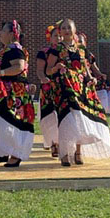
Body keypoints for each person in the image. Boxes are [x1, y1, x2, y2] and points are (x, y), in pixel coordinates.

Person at [46, 19, 110, 166]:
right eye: (63, 28)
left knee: (81, 119)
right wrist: (56, 67)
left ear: (74, 30)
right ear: (60, 31)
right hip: (64, 88)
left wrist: (92, 79)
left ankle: (78, 152)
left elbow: (85, 68)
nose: (66, 30)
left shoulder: (81, 49)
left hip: (81, 88)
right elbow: (48, 70)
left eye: (68, 28)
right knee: (67, 119)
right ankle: (64, 153)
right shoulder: (55, 49)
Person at [0, 20, 36, 168]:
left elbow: (19, 66)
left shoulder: (15, 50)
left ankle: (16, 154)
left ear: (11, 34)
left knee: (10, 122)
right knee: (0, 122)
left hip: (13, 93)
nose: (0, 33)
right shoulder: (6, 50)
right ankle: (2, 152)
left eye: (3, 31)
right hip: (1, 92)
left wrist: (2, 72)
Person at [36, 23, 62, 157]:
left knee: (63, 115)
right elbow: (40, 71)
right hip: (48, 87)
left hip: (64, 87)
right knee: (50, 116)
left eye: (60, 36)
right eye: (55, 36)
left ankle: (63, 142)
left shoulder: (66, 50)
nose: (58, 38)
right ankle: (53, 143)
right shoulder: (44, 52)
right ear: (50, 37)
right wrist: (43, 78)